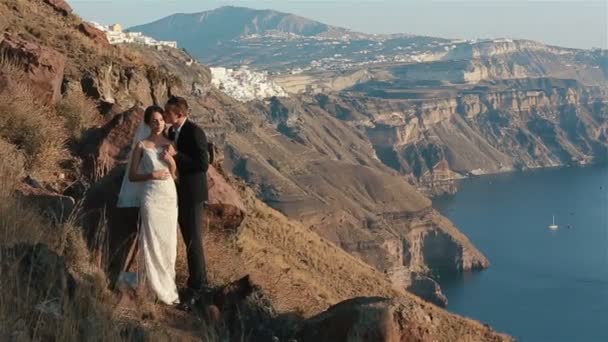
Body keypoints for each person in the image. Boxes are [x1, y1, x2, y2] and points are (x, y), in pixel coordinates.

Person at [127, 105, 180, 305]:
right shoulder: (141, 145)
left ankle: (167, 286)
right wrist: (152, 175)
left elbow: (175, 176)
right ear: (148, 123)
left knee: (168, 243)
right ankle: (150, 286)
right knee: (151, 240)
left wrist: (172, 162)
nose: (158, 124)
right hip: (151, 196)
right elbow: (132, 176)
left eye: (161, 120)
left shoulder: (170, 144)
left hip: (169, 197)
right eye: (154, 121)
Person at [162, 95, 210, 311]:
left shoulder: (194, 131)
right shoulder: (173, 131)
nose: (165, 115)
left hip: (192, 194)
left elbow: (202, 164)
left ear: (179, 114)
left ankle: (199, 287)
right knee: (187, 237)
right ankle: (195, 282)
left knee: (194, 240)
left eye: (168, 112)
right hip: (180, 192)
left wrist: (177, 155)